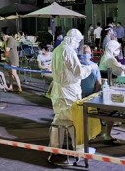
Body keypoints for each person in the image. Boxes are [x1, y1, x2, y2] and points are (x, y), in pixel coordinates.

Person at [49, 29, 96, 163]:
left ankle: (55, 148)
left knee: (58, 119)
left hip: (58, 92)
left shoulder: (57, 49)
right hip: (69, 92)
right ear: (73, 39)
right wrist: (90, 68)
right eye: (78, 41)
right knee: (75, 121)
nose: (78, 45)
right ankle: (79, 150)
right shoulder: (69, 51)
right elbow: (79, 72)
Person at [1, 27, 22, 93]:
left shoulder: (11, 39)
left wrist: (3, 57)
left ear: (5, 33)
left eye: (2, 33)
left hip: (13, 59)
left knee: (14, 73)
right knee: (10, 73)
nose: (1, 34)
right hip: (9, 59)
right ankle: (11, 87)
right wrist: (4, 41)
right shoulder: (7, 40)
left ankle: (19, 87)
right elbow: (3, 48)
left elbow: (7, 50)